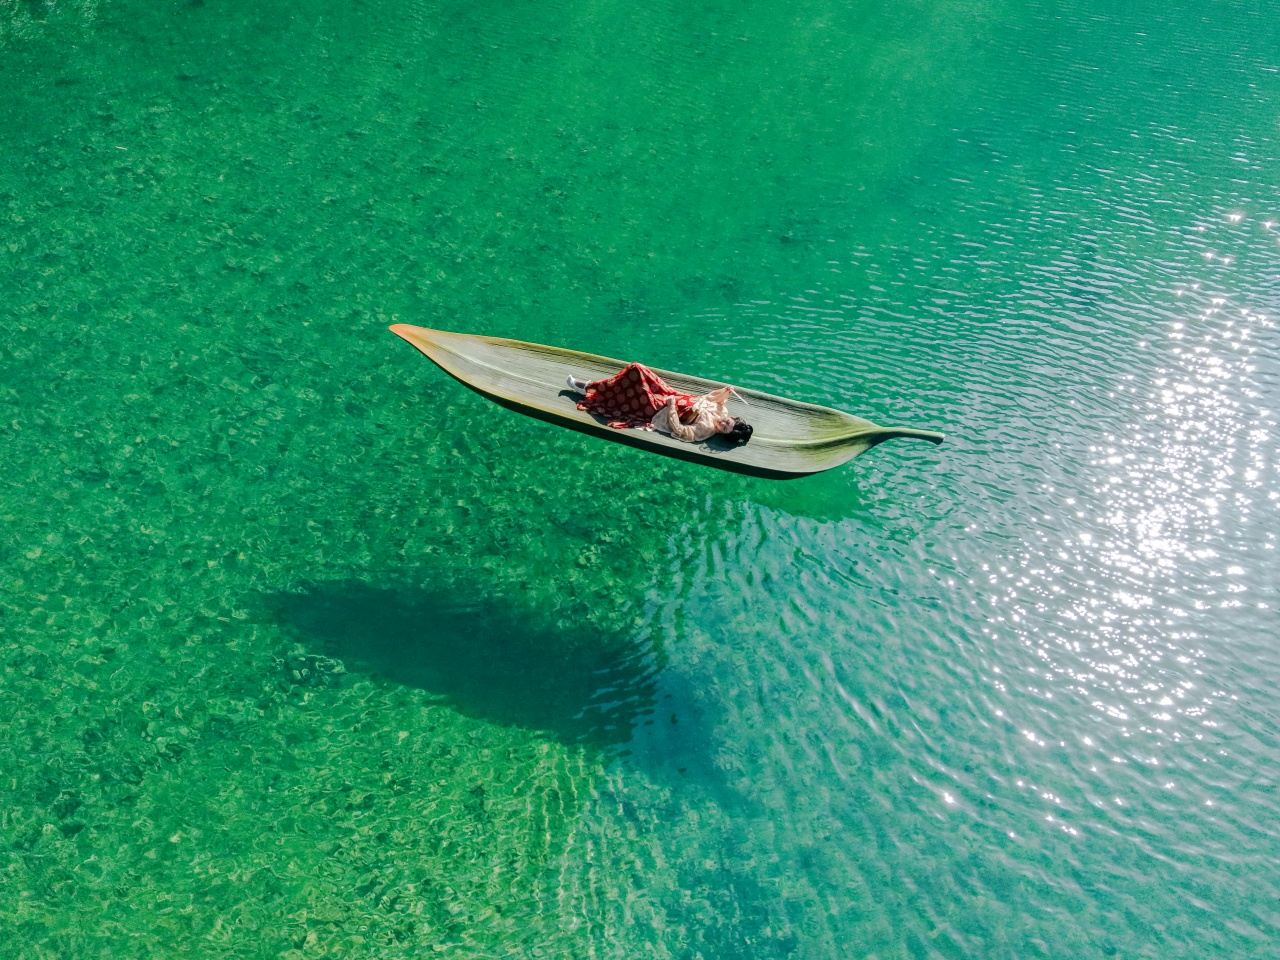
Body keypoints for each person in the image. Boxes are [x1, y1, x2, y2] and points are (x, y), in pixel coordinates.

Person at [565, 362, 753, 445]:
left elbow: (680, 430)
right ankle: (595, 387)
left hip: (658, 409)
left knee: (634, 379)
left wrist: (671, 406)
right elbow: (711, 399)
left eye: (724, 428)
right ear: (732, 418)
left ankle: (588, 388)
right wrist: (725, 391)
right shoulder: (722, 410)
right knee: (639, 368)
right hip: (670, 394)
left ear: (722, 433)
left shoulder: (705, 431)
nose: (723, 423)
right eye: (728, 421)